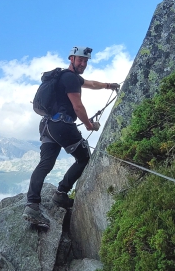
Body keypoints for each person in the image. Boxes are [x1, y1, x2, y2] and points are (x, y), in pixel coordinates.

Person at [23, 46, 120, 228]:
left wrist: (108, 85)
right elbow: (78, 107)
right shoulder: (70, 79)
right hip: (62, 126)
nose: (83, 63)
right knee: (84, 159)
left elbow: (90, 84)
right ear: (71, 59)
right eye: (80, 60)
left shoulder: (64, 77)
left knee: (45, 164)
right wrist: (90, 125)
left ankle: (32, 205)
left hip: (47, 125)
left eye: (85, 61)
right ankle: (61, 193)